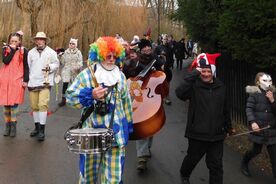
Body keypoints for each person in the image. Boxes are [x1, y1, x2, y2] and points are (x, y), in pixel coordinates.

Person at [66, 36, 133, 184]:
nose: (111, 60)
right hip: (91, 136)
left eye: (114, 57)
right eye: (108, 56)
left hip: (115, 135)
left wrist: (128, 127)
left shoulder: (120, 76)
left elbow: (126, 103)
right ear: (100, 55)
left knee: (113, 180)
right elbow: (70, 98)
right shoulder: (87, 75)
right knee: (87, 178)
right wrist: (90, 94)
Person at [175, 53, 234, 184]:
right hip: (197, 134)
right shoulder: (194, 86)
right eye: (203, 71)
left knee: (216, 166)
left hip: (217, 135)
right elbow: (179, 93)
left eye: (209, 71)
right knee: (192, 159)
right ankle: (184, 174)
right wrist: (194, 73)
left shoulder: (221, 87)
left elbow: (225, 109)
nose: (206, 74)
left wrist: (229, 128)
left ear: (213, 72)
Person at [122, 38, 166, 172]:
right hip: (139, 94)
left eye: (148, 47)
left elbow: (165, 76)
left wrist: (160, 64)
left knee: (152, 123)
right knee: (141, 123)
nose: (147, 49)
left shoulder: (156, 60)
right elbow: (128, 75)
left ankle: (146, 149)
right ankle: (142, 157)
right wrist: (134, 69)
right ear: (140, 50)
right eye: (144, 48)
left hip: (153, 94)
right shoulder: (136, 61)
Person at [241, 72, 276, 179]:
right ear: (258, 82)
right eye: (264, 81)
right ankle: (244, 162)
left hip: (272, 130)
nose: (268, 83)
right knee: (256, 150)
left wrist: (272, 101)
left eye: (270, 81)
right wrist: (253, 122)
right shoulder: (254, 94)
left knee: (274, 156)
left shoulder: (274, 94)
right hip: (259, 129)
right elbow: (249, 108)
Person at [27, 32, 59, 141]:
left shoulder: (51, 52)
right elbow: (28, 67)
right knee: (34, 106)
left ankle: (42, 130)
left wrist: (50, 67)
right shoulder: (31, 53)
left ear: (45, 40)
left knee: (42, 104)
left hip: (45, 82)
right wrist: (26, 80)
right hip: (33, 82)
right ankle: (36, 128)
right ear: (35, 41)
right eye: (38, 39)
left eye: (41, 39)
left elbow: (56, 64)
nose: (39, 41)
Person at [0, 31, 29, 137]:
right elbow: (6, 61)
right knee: (6, 103)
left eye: (16, 41)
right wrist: (12, 50)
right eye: (12, 41)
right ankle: (7, 125)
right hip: (5, 79)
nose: (14, 42)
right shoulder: (5, 49)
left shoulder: (24, 51)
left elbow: (26, 65)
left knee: (14, 104)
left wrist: (26, 79)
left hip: (17, 79)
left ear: (19, 41)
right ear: (9, 41)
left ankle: (13, 125)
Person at [58, 38, 83, 107]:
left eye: (73, 44)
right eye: (70, 43)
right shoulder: (66, 52)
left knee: (75, 86)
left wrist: (76, 67)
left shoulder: (78, 52)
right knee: (65, 84)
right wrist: (60, 57)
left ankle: (76, 100)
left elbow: (80, 62)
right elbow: (63, 62)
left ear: (75, 45)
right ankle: (63, 99)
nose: (71, 45)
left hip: (75, 71)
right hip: (67, 70)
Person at [154, 34, 173, 105]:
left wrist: (171, 65)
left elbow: (171, 57)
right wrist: (160, 62)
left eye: (167, 39)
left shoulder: (170, 48)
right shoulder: (158, 48)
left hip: (167, 68)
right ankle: (164, 97)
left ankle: (167, 97)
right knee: (162, 83)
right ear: (162, 40)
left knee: (168, 82)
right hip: (160, 68)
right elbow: (154, 56)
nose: (166, 40)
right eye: (165, 39)